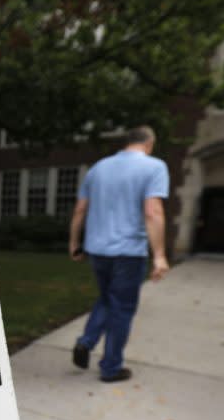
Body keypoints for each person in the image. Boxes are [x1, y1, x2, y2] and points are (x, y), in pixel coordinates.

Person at [68, 126, 170, 383]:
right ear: (149, 143)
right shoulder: (154, 167)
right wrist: (159, 255)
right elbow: (153, 212)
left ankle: (87, 341)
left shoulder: (98, 168)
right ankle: (111, 367)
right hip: (128, 251)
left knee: (107, 298)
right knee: (122, 308)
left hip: (97, 249)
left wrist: (74, 242)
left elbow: (80, 209)